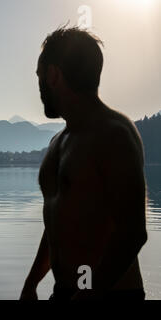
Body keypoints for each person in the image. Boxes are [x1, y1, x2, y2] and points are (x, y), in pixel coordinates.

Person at [20, 26, 148, 300]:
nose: (39, 87)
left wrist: (89, 293)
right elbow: (57, 221)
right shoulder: (58, 142)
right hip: (66, 292)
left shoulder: (114, 133)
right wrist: (31, 284)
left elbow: (133, 232)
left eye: (39, 77)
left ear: (53, 75)